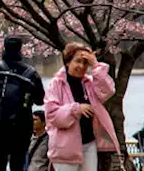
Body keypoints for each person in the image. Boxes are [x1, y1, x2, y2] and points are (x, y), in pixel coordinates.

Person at [43, 42, 119, 171]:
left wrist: (95, 65)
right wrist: (76, 109)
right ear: (67, 62)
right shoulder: (55, 85)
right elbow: (52, 115)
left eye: (85, 63)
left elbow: (108, 91)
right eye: (78, 61)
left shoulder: (89, 83)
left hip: (89, 143)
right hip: (65, 149)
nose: (81, 66)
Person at [0, 37, 46, 171]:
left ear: (3, 48)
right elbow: (40, 99)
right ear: (21, 50)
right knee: (18, 163)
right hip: (22, 126)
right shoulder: (31, 74)